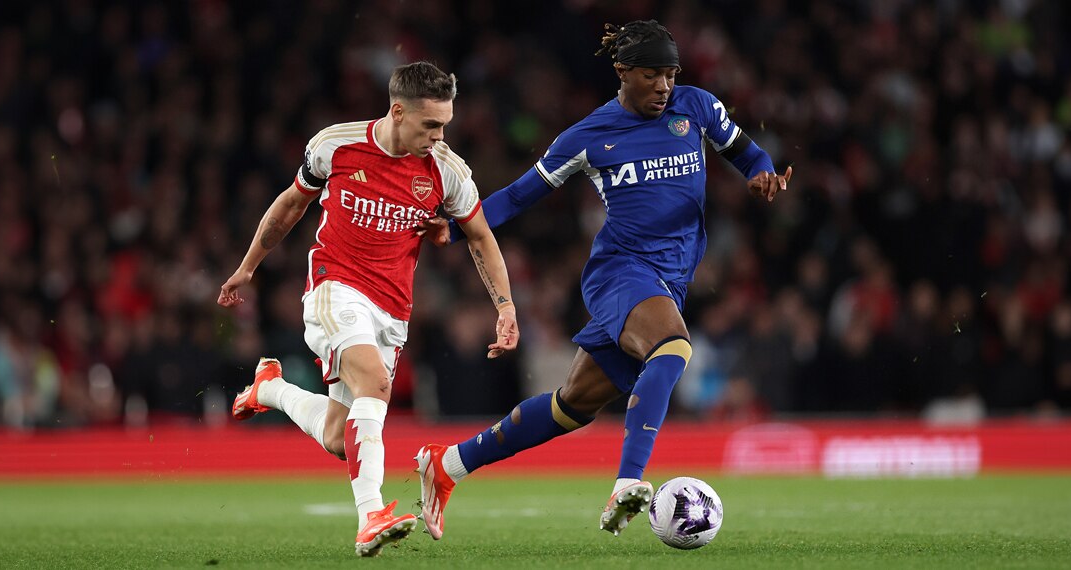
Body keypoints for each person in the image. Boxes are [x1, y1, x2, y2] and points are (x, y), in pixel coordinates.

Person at [414, 20, 790, 540]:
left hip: (670, 278)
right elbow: (519, 195)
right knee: (673, 348)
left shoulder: (696, 106)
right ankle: (627, 483)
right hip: (621, 272)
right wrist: (455, 231)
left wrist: (760, 175)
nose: (664, 86)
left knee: (572, 406)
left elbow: (750, 154)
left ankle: (448, 464)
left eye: (670, 74)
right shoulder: (588, 136)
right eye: (652, 75)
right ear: (622, 73)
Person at [217, 61, 519, 557]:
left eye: (445, 124)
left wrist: (505, 306)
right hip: (334, 288)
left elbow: (481, 237)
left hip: (392, 308)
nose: (439, 135)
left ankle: (269, 388)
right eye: (430, 125)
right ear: (398, 112)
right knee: (377, 384)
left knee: (340, 438)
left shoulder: (446, 170)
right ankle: (370, 515)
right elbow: (291, 205)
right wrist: (249, 266)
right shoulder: (335, 145)